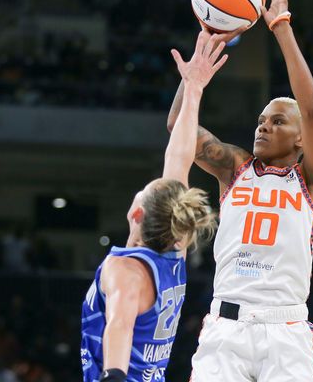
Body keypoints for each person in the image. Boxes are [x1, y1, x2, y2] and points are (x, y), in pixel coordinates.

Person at [168, 0, 313, 381]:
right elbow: (178, 126)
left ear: (300, 140)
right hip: (226, 327)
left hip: (286, 329)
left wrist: (281, 31)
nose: (263, 126)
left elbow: (311, 111)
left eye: (277, 122)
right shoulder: (235, 167)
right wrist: (195, 78)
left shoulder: (312, 181)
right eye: (261, 120)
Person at [80, 31, 226, 382]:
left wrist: (113, 375)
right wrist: (193, 89)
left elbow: (119, 324)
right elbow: (178, 158)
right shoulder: (173, 254)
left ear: (136, 213)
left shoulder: (126, 271)